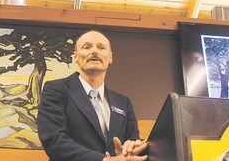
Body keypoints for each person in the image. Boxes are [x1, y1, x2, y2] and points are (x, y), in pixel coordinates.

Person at [38, 30, 148, 161]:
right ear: (75, 57)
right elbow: (54, 140)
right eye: (86, 47)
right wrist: (105, 160)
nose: (94, 51)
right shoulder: (56, 90)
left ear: (110, 57)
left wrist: (132, 146)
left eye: (101, 47)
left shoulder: (123, 102)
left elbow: (133, 140)